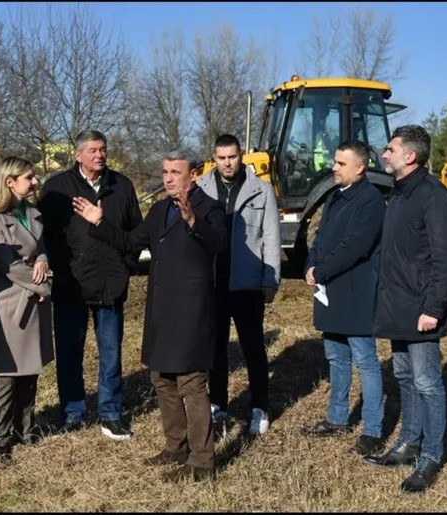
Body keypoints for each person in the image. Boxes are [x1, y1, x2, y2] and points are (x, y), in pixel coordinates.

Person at [72, 149, 227, 483]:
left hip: (191, 311)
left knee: (191, 384)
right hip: (162, 310)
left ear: (194, 175)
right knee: (163, 379)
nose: (168, 178)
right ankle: (176, 446)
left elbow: (217, 244)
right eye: (165, 171)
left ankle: (202, 460)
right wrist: (100, 222)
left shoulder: (210, 209)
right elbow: (130, 243)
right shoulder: (158, 210)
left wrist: (192, 221)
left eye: (175, 172)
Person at [364, 125, 447, 494]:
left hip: (421, 308)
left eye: (390, 149)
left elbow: (445, 256)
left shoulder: (432, 196)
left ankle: (430, 457)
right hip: (397, 305)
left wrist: (433, 307)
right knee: (404, 377)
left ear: (410, 156)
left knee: (427, 383)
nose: (384, 154)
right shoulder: (399, 193)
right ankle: (408, 443)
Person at [37, 130, 142, 441]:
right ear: (78, 154)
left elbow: (135, 232)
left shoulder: (121, 186)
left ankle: (111, 413)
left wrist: (127, 265)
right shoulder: (57, 188)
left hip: (110, 283)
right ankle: (73, 412)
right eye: (93, 150)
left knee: (110, 351)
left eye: (103, 149)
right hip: (71, 285)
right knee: (70, 352)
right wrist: (55, 265)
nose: (100, 155)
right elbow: (44, 235)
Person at [300, 140, 386, 459]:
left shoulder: (371, 201)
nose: (333, 168)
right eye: (335, 162)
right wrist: (310, 263)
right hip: (331, 292)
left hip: (356, 293)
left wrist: (321, 270)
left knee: (365, 360)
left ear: (360, 167)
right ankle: (337, 418)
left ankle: (373, 430)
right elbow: (319, 237)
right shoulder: (335, 197)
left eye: (340, 163)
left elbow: (355, 246)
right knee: (336, 357)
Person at [0, 156, 52, 459]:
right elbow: (7, 264)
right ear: (10, 181)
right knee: (6, 373)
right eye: (29, 177)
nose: (35, 182)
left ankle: (25, 430)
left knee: (30, 370)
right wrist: (44, 285)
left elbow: (42, 248)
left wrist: (43, 259)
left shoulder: (32, 212)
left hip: (32, 301)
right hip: (6, 304)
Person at [195, 134, 280, 438]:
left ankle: (260, 406)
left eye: (232, 157)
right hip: (213, 284)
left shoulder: (262, 191)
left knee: (253, 347)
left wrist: (270, 280)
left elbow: (270, 236)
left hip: (247, 284)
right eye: (221, 157)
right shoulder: (201, 188)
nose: (227, 163)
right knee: (215, 348)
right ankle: (218, 404)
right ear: (213, 158)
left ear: (240, 156)